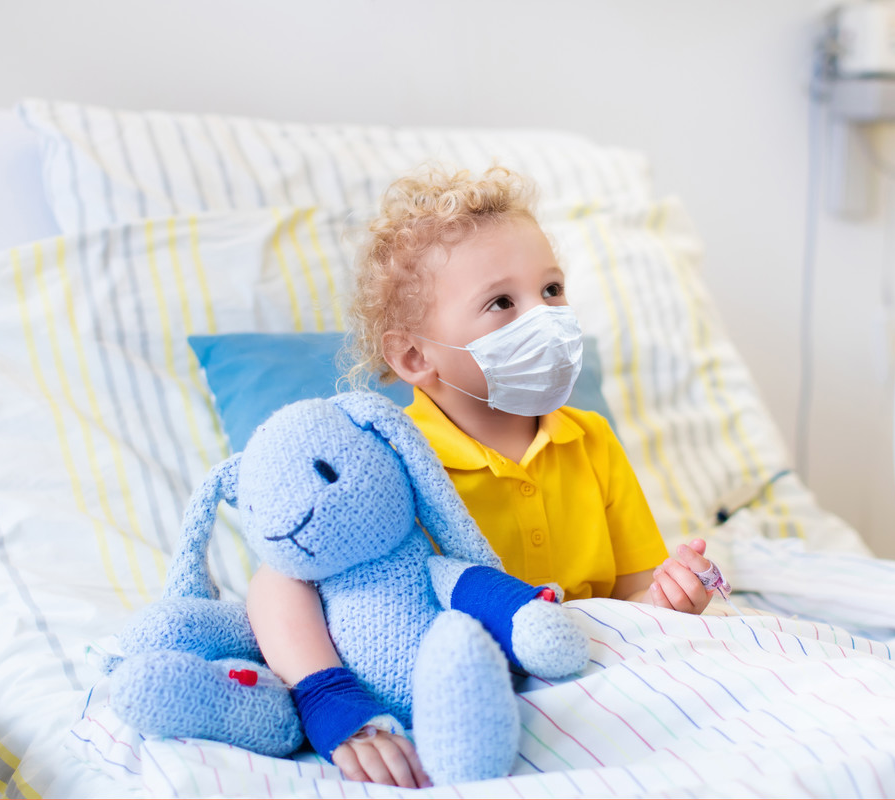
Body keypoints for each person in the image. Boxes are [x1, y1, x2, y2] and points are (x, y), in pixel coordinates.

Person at [246, 165, 716, 789]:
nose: (544, 318)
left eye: (552, 290)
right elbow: (279, 584)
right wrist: (329, 700)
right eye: (502, 302)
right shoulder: (385, 456)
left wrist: (669, 599)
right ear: (415, 356)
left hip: (580, 683)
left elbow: (629, 599)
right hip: (448, 698)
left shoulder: (591, 441)